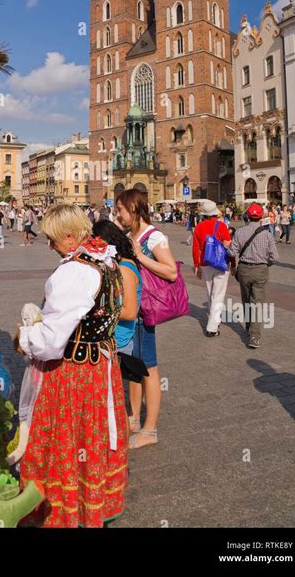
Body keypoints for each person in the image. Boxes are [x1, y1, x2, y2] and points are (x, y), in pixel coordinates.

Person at [15, 203, 127, 527]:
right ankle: (90, 504)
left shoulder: (75, 270)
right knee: (90, 437)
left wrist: (23, 337)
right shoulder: (106, 259)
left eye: (52, 239)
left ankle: (65, 509)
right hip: (101, 367)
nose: (49, 245)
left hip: (74, 372)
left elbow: (51, 340)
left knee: (65, 438)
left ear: (67, 236)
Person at [115, 188, 177, 449]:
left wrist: (140, 257)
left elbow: (171, 271)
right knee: (133, 365)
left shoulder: (154, 237)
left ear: (133, 209)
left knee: (149, 368)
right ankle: (134, 418)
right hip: (133, 311)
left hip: (146, 312)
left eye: (120, 210)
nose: (117, 214)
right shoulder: (131, 235)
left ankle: (150, 430)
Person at [228, 203, 279, 348]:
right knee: (257, 302)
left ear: (248, 216)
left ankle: (249, 326)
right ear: (261, 217)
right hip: (261, 270)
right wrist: (265, 263)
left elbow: (232, 252)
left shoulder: (239, 232)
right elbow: (275, 257)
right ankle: (255, 337)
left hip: (244, 269)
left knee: (246, 299)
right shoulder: (267, 234)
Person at [93, 219, 142, 357]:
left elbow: (130, 312)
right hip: (111, 339)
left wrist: (94, 309)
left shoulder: (124, 269)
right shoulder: (119, 263)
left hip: (118, 342)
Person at [192, 200, 233, 338]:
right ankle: (212, 327)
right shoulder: (221, 226)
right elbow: (229, 247)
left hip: (205, 263)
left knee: (210, 293)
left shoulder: (198, 227)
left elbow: (195, 249)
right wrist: (232, 263)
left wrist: (196, 266)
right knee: (218, 294)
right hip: (221, 263)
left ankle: (214, 319)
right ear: (215, 213)